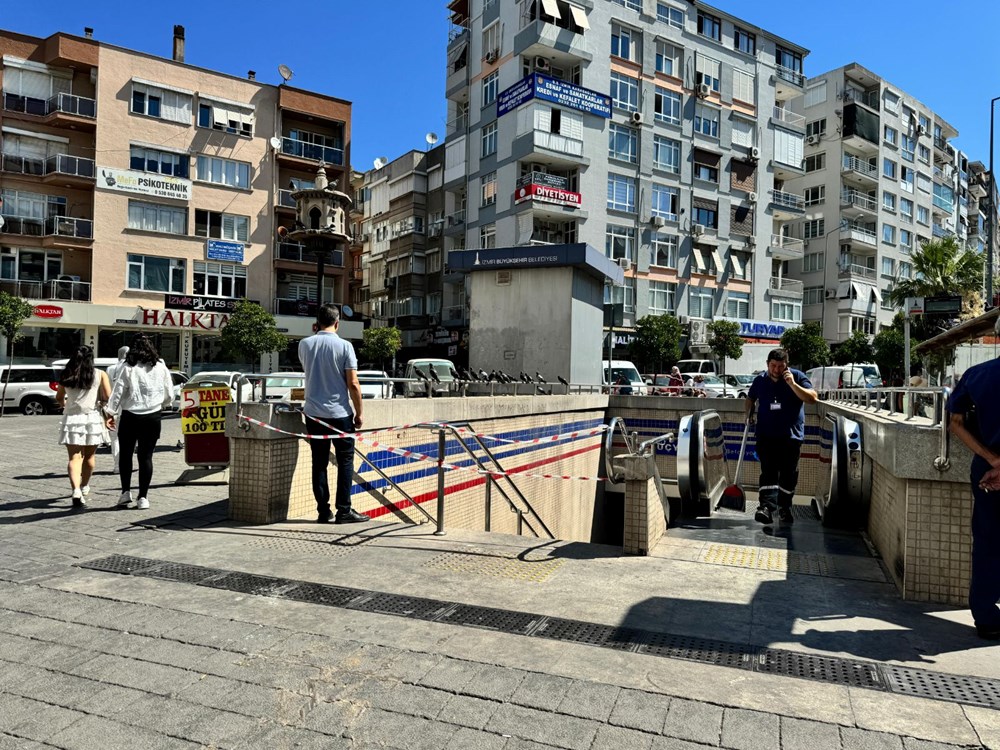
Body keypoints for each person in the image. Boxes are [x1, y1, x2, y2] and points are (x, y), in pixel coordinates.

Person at [947, 319, 1000, 640]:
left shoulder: (977, 374)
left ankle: (987, 616)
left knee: (987, 539)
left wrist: (993, 460)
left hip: (987, 469)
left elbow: (955, 423)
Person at [298, 303, 367, 524]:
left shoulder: (304, 344)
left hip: (313, 414)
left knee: (319, 462)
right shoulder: (345, 346)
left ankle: (323, 511)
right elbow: (353, 383)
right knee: (345, 461)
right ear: (337, 323)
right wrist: (359, 413)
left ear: (317, 323)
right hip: (340, 414)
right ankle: (344, 510)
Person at [744, 348, 818, 525]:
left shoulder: (797, 377)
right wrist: (749, 414)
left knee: (788, 474)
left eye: (780, 366)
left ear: (787, 365)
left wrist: (792, 384)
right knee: (768, 472)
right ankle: (766, 508)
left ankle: (784, 507)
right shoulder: (760, 380)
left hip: (791, 437)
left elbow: (812, 398)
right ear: (767, 364)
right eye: (773, 366)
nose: (776, 370)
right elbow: (750, 398)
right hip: (766, 435)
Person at [105, 334, 173, 510]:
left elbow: (118, 392)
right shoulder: (161, 367)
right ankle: (143, 497)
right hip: (153, 416)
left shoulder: (128, 367)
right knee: (146, 457)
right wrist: (162, 404)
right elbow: (169, 393)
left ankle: (125, 492)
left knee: (126, 455)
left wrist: (110, 413)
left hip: (130, 415)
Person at [56, 346, 113, 508]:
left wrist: (65, 405)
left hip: (72, 418)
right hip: (92, 418)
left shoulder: (66, 374)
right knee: (89, 457)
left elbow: (59, 397)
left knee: (74, 457)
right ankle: (84, 486)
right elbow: (108, 396)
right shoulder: (100, 374)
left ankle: (75, 490)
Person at [106, 345, 129, 473]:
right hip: (128, 407)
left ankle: (117, 465)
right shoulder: (132, 368)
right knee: (129, 438)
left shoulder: (110, 369)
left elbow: (108, 390)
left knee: (114, 438)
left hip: (112, 407)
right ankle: (126, 463)